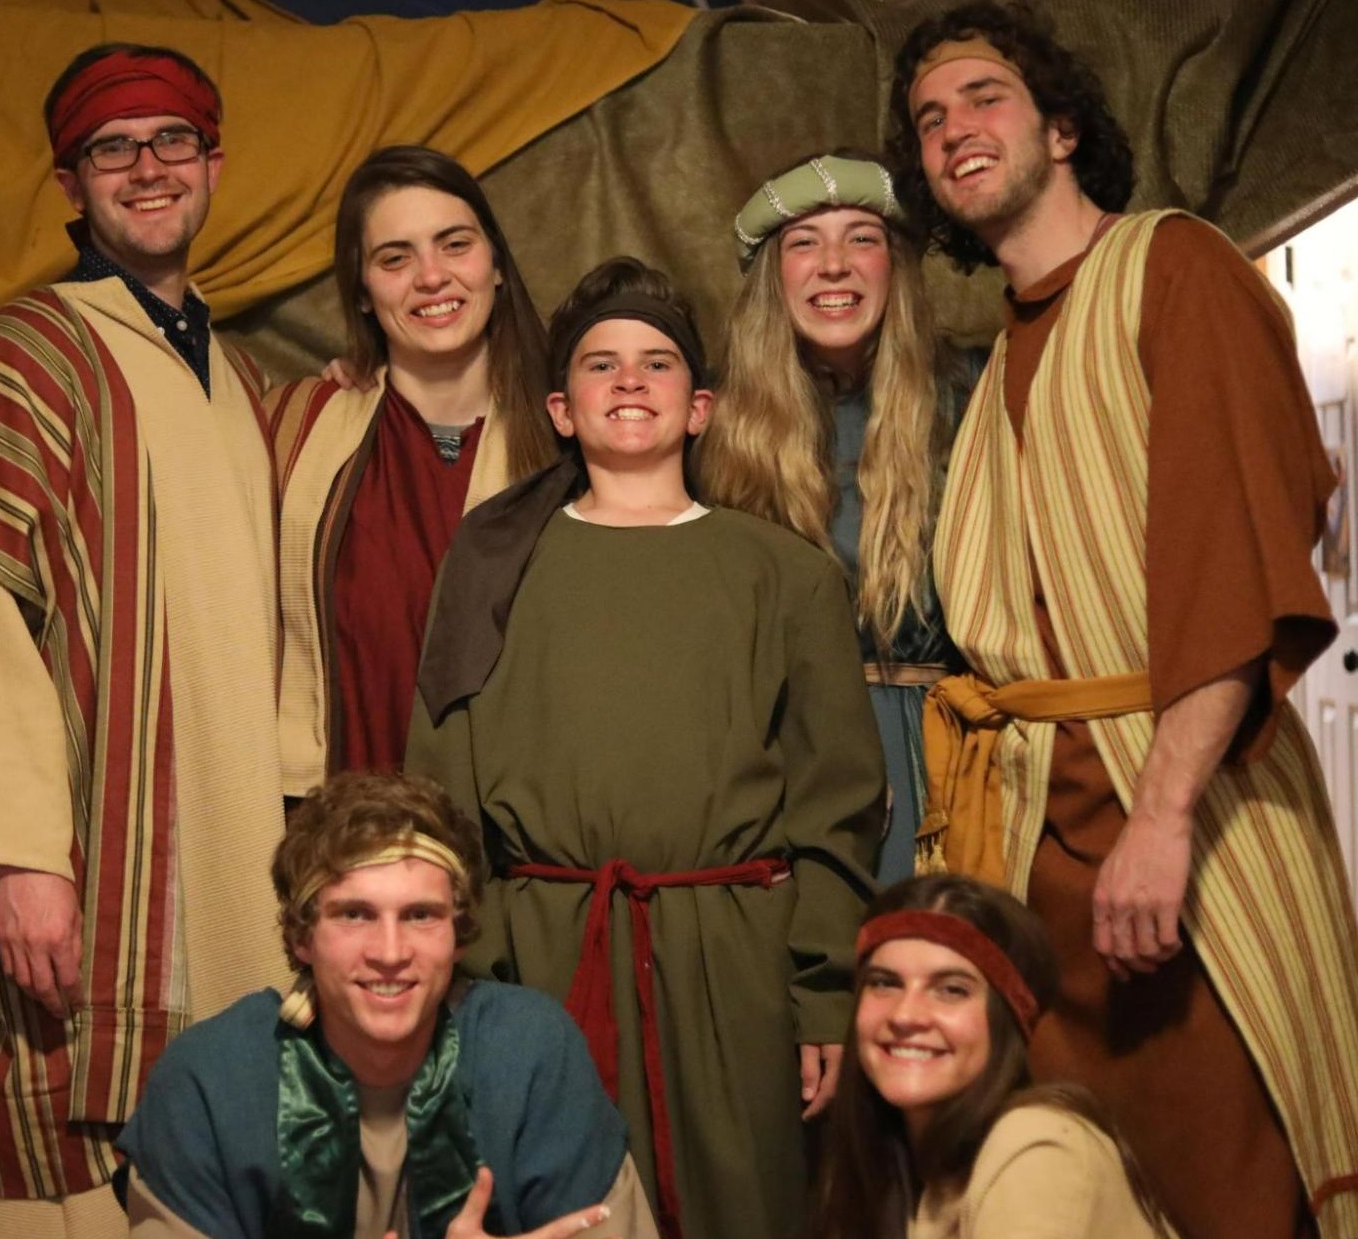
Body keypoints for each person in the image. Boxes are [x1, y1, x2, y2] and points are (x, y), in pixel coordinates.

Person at [887, 5, 1358, 1237]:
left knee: (1232, 1183)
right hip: (1040, 856)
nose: (953, 129)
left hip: (1186, 831)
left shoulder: (1175, 269)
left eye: (983, 97)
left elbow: (1232, 563)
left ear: (1062, 128)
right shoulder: (999, 359)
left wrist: (1162, 818)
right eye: (929, 119)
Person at [0, 43, 288, 1238]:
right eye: (112, 149)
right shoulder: (22, 355)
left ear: (213, 164)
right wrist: (20, 862)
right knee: (68, 1167)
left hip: (231, 842)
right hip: (86, 860)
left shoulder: (241, 376)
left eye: (171, 141)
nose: (147, 168)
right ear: (69, 182)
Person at [406, 257, 885, 1239]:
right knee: (556, 1207)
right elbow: (441, 787)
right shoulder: (491, 566)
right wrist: (472, 980)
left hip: (733, 964)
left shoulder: (785, 575)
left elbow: (835, 808)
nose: (630, 381)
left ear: (701, 407)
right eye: (601, 364)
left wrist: (822, 996)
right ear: (561, 409)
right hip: (541, 957)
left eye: (657, 363)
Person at [116, 770, 657, 1239]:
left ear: (459, 934)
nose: (391, 953)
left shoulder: (529, 1055)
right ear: (302, 937)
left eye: (421, 915)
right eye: (355, 915)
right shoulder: (209, 1083)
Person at [697, 152, 975, 883]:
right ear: (772, 275)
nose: (833, 265)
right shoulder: (710, 426)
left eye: (861, 238)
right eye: (803, 243)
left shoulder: (971, 397)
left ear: (895, 265)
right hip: (784, 761)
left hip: (951, 754)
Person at [267, 146, 556, 791]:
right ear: (362, 293)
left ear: (497, 264)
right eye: (395, 258)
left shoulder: (570, 436)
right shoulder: (295, 430)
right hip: (336, 817)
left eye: (455, 245)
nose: (431, 277)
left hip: (514, 820)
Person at [818, 873, 1165, 1239]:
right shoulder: (891, 1163)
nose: (905, 1015)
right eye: (884, 983)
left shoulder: (1035, 1148)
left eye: (951, 990)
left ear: (1007, 1019)